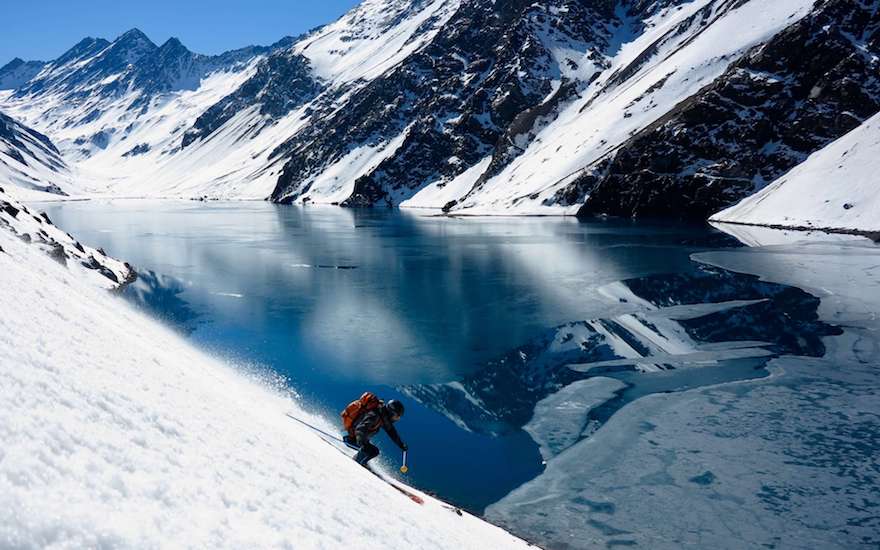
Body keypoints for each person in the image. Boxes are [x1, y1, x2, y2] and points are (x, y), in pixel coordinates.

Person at [344, 399, 407, 467]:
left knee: (373, 451)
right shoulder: (375, 415)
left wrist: (401, 444)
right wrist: (361, 442)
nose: (396, 419)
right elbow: (361, 428)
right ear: (391, 413)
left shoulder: (383, 417)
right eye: (396, 416)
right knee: (371, 451)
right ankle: (357, 463)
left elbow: (392, 432)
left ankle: (361, 462)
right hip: (351, 438)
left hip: (357, 438)